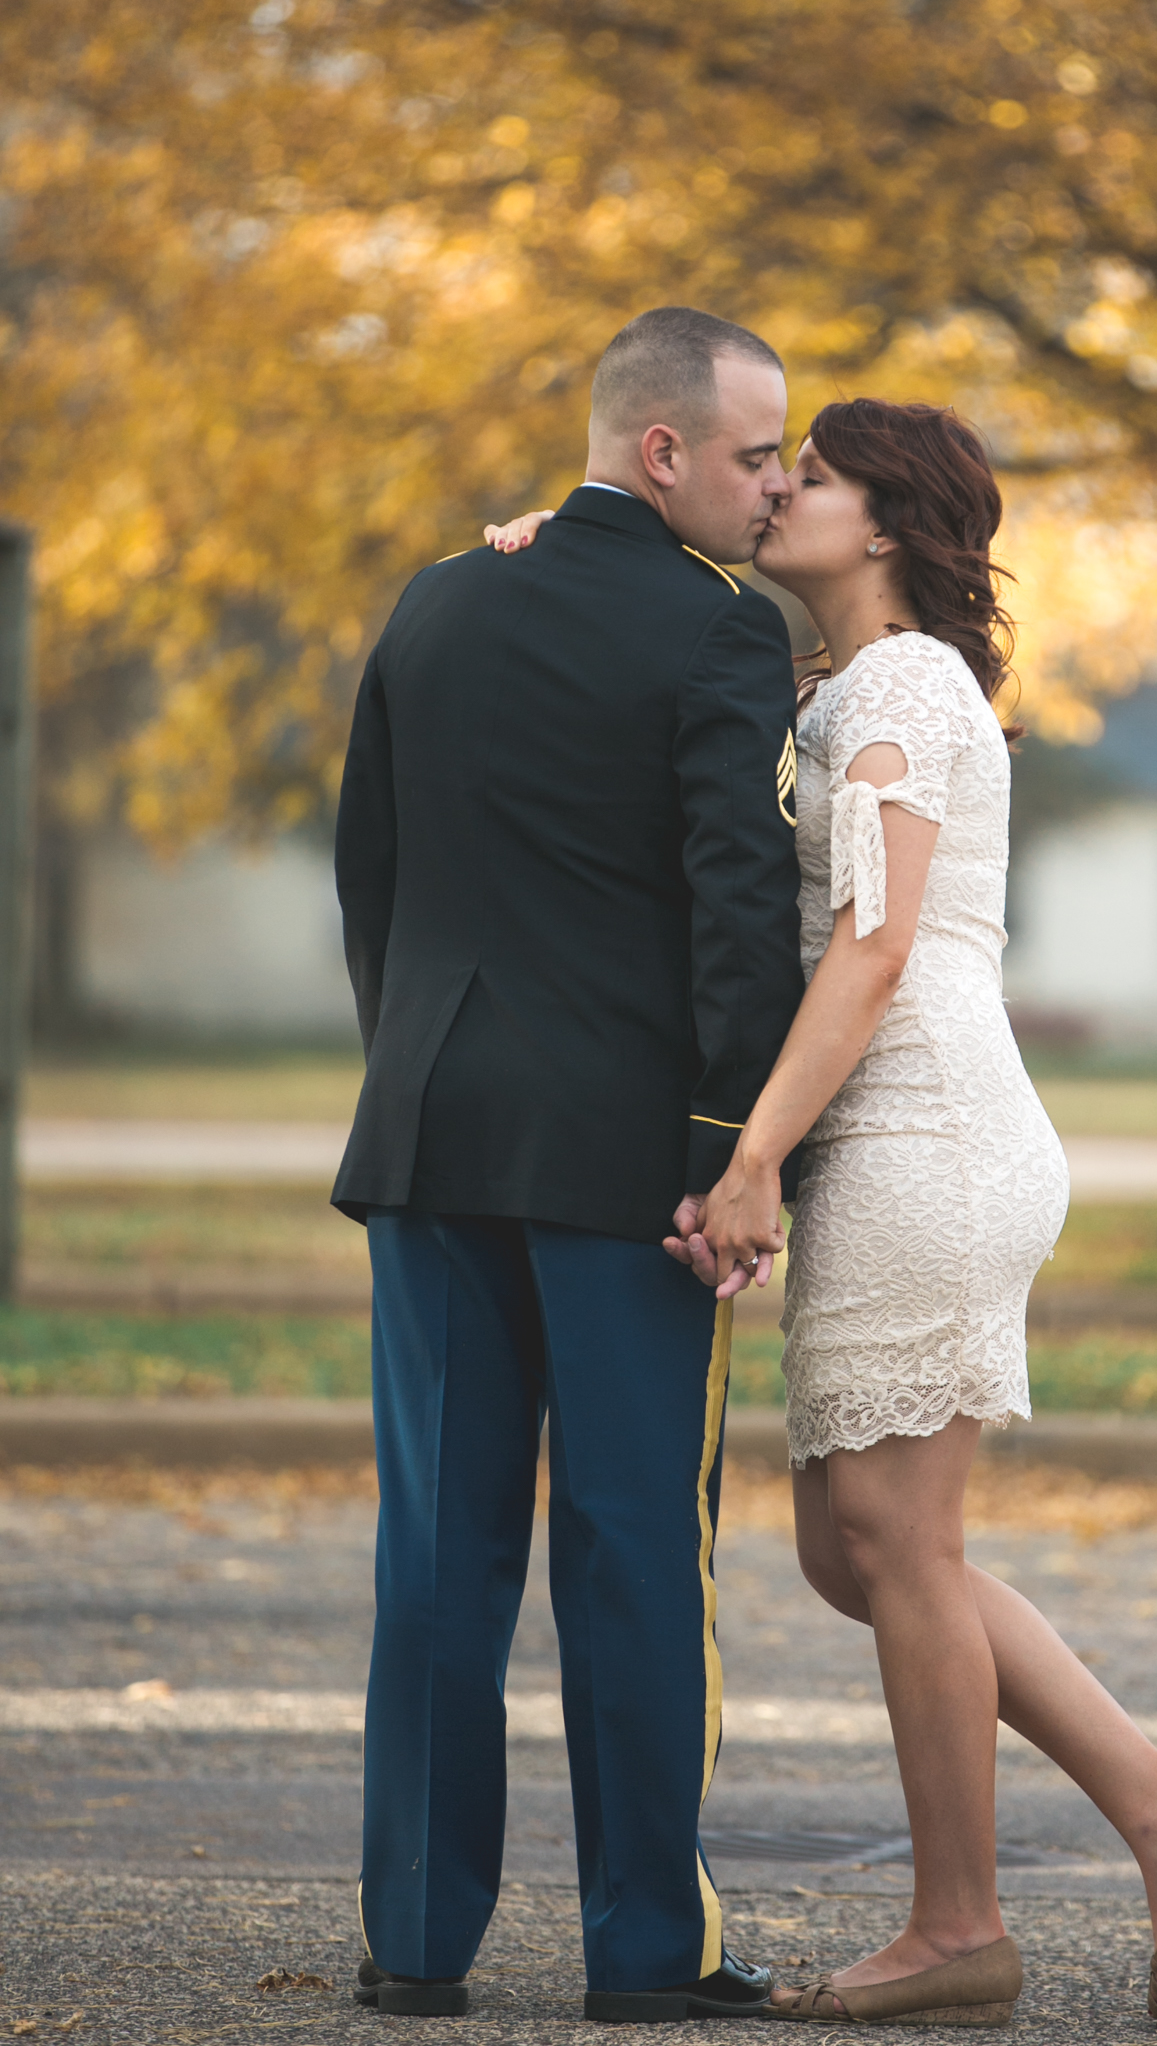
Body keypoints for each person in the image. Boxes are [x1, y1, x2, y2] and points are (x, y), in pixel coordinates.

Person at [495, 397, 1157, 2030]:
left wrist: (752, 1156)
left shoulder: (906, 684)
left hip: (927, 1136)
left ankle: (958, 1927)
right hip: (896, 1148)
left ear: (895, 524)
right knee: (856, 1557)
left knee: (901, 1549)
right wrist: (547, 554)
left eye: (820, 475)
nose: (782, 489)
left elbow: (872, 947)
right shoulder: (842, 688)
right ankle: (1156, 1805)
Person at [333, 306, 806, 2021]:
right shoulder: (718, 636)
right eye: (757, 454)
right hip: (636, 1176)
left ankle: (414, 1942)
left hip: (434, 1136)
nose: (777, 487)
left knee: (438, 1555)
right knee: (628, 1554)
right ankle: (641, 1953)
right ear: (660, 449)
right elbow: (746, 923)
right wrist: (724, 1152)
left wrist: (417, 1071)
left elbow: (367, 874)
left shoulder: (438, 597)